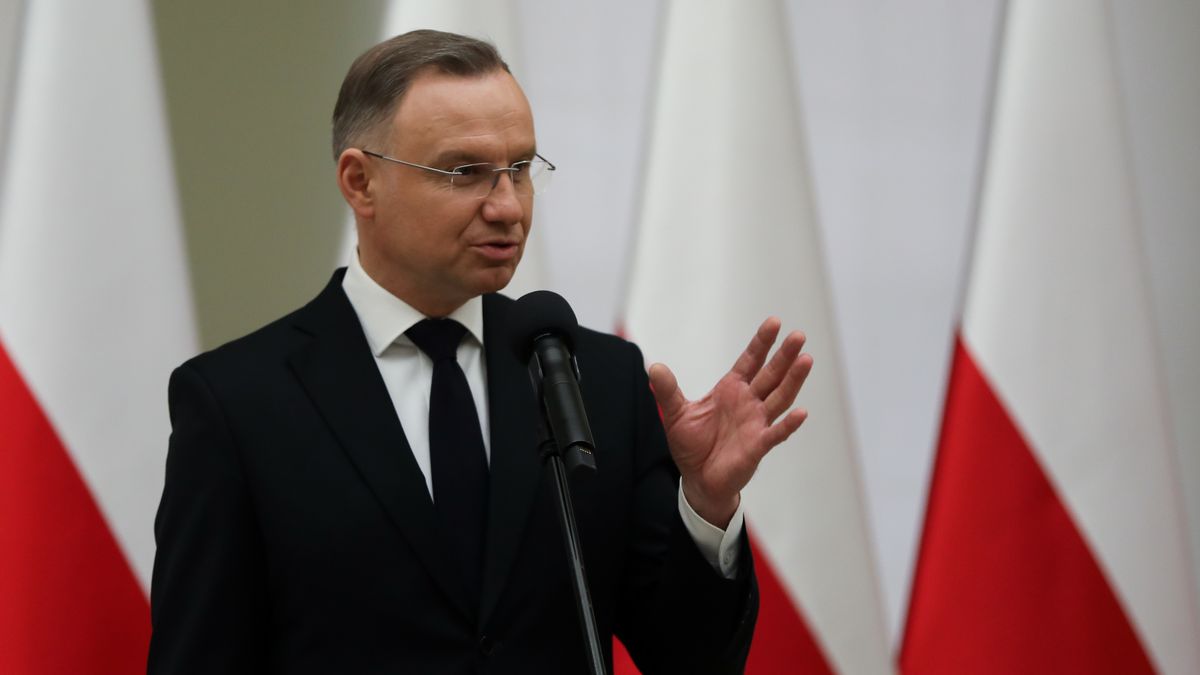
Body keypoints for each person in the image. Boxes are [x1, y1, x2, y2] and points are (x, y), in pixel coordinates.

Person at [147, 29, 812, 675]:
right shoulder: (239, 403)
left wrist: (705, 506)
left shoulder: (597, 382)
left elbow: (692, 658)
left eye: (520, 169)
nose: (507, 207)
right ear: (359, 182)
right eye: (465, 172)